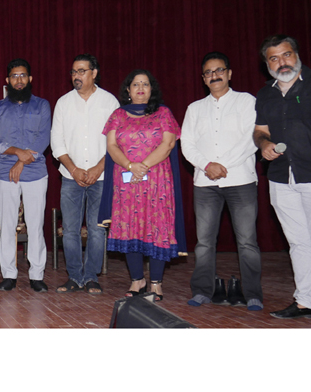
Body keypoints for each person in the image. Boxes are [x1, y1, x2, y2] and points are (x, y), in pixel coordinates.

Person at [182, 52, 262, 310]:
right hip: (205, 184)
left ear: (229, 73)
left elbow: (253, 139)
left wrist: (222, 165)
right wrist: (207, 166)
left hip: (240, 180)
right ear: (203, 79)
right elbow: (188, 144)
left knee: (247, 241)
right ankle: (203, 290)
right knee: (204, 242)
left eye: (219, 70)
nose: (214, 75)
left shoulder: (246, 101)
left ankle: (253, 294)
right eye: (208, 72)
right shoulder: (194, 108)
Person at [99, 69, 186, 301]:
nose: (140, 88)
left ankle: (156, 283)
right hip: (126, 182)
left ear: (151, 89)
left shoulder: (163, 112)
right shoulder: (117, 115)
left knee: (158, 228)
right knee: (131, 227)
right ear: (128, 90)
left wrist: (143, 165)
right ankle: (137, 279)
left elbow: (167, 144)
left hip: (157, 181)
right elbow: (111, 146)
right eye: (135, 84)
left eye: (145, 84)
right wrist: (130, 165)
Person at [253, 35, 311, 319]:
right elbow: (260, 130)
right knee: (299, 242)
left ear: (297, 54)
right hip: (280, 177)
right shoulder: (265, 94)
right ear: (267, 65)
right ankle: (305, 301)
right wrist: (263, 144)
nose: (282, 62)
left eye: (286, 55)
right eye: (274, 58)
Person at [51, 54, 119, 295]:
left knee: (97, 229)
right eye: (73, 72)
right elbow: (56, 142)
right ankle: (74, 277)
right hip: (71, 177)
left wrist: (99, 168)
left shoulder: (109, 102)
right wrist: (73, 169)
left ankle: (91, 277)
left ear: (94, 73)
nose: (76, 76)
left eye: (81, 71)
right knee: (69, 230)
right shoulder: (63, 103)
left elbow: (116, 141)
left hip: (100, 177)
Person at [0, 59, 51, 292]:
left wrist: (21, 163)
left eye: (23, 75)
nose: (19, 80)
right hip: (5, 172)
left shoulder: (42, 105)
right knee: (8, 224)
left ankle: (36, 275)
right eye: (14, 76)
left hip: (35, 172)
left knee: (35, 225)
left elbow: (43, 139)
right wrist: (17, 155)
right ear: (7, 81)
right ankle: (9, 274)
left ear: (30, 79)